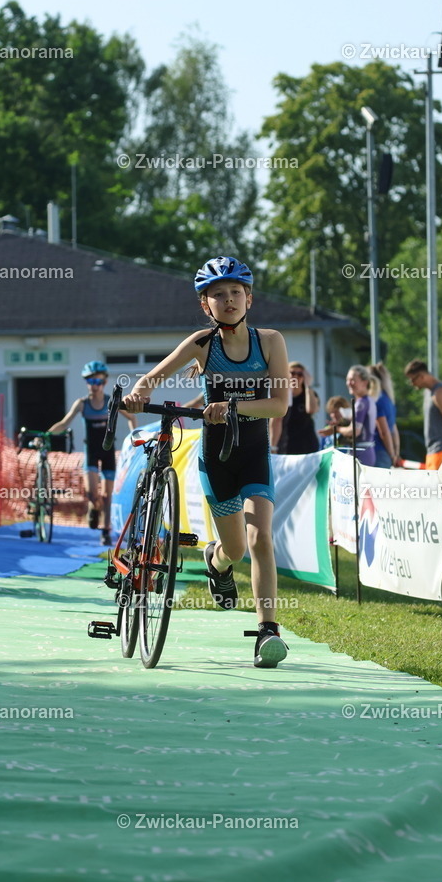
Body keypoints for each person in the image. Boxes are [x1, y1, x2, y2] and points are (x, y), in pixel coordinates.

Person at [122, 256, 291, 668]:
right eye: (218, 294)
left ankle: (268, 632)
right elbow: (152, 378)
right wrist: (138, 393)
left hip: (254, 455)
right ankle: (215, 562)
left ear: (249, 299)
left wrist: (231, 406)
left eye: (236, 292)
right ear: (205, 304)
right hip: (216, 459)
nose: (228, 299)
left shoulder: (270, 341)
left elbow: (279, 405)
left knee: (260, 539)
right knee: (233, 549)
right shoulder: (202, 343)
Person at [48, 362, 136, 546]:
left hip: (108, 452)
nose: (94, 385)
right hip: (91, 453)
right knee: (92, 494)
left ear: (104, 382)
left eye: (98, 381)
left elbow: (132, 417)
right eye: (90, 381)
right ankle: (93, 507)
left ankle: (105, 531)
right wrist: (46, 435)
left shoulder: (112, 402)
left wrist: (134, 439)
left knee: (107, 496)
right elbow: (64, 423)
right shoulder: (82, 404)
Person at [404, 359, 442, 469]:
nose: (412, 384)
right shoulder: (428, 392)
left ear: (421, 376)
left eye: (412, 380)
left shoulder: (440, 392)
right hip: (434, 452)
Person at [318, 365, 378, 466]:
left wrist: (336, 429)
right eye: (347, 380)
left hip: (361, 453)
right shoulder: (368, 400)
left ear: (364, 382)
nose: (348, 383)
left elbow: (354, 431)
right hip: (366, 451)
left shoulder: (361, 403)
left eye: (353, 380)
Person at [269, 362, 320, 455]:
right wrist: (273, 446)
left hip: (307, 446)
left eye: (300, 374)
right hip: (285, 445)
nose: (295, 376)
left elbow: (312, 409)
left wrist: (308, 386)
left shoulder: (309, 394)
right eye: (292, 373)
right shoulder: (281, 395)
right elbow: (275, 420)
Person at [369, 362, 400, 467]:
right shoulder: (389, 400)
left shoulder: (377, 401)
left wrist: (392, 455)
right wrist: (395, 452)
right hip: (386, 452)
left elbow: (384, 432)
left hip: (378, 451)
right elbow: (393, 429)